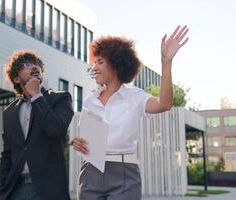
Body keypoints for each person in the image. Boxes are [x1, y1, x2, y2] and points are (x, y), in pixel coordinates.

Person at [72, 25, 189, 200]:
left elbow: (164, 104)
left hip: (124, 171)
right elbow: (87, 140)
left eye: (100, 62)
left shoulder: (135, 96)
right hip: (90, 171)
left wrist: (166, 62)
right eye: (94, 62)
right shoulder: (89, 100)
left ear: (117, 65)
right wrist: (77, 142)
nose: (94, 67)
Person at [0, 50, 74, 200]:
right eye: (27, 64)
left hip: (47, 190)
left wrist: (37, 96)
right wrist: (1, 191)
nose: (35, 67)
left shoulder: (60, 99)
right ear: (17, 78)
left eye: (38, 65)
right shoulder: (9, 112)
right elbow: (7, 154)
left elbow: (55, 130)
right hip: (15, 189)